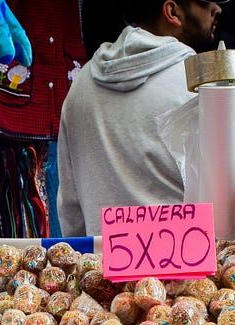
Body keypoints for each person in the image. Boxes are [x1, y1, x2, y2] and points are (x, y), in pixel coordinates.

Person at [57, 0, 224, 237]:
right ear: (172, 11)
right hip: (184, 267)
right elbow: (230, 205)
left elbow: (70, 204)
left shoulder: (81, 85)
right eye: (206, 2)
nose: (217, 9)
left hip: (100, 267)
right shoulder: (201, 87)